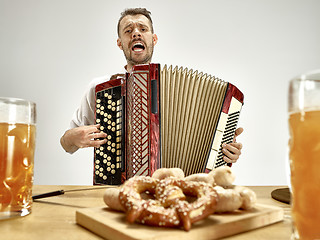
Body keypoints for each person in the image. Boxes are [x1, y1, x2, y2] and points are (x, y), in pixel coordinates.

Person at [60, 8, 243, 164]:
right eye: (128, 30)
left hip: (173, 191)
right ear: (119, 43)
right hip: (120, 190)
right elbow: (66, 144)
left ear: (153, 39)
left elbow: (207, 146)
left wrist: (224, 151)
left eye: (143, 29)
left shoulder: (184, 91)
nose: (136, 33)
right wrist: (73, 137)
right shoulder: (101, 88)